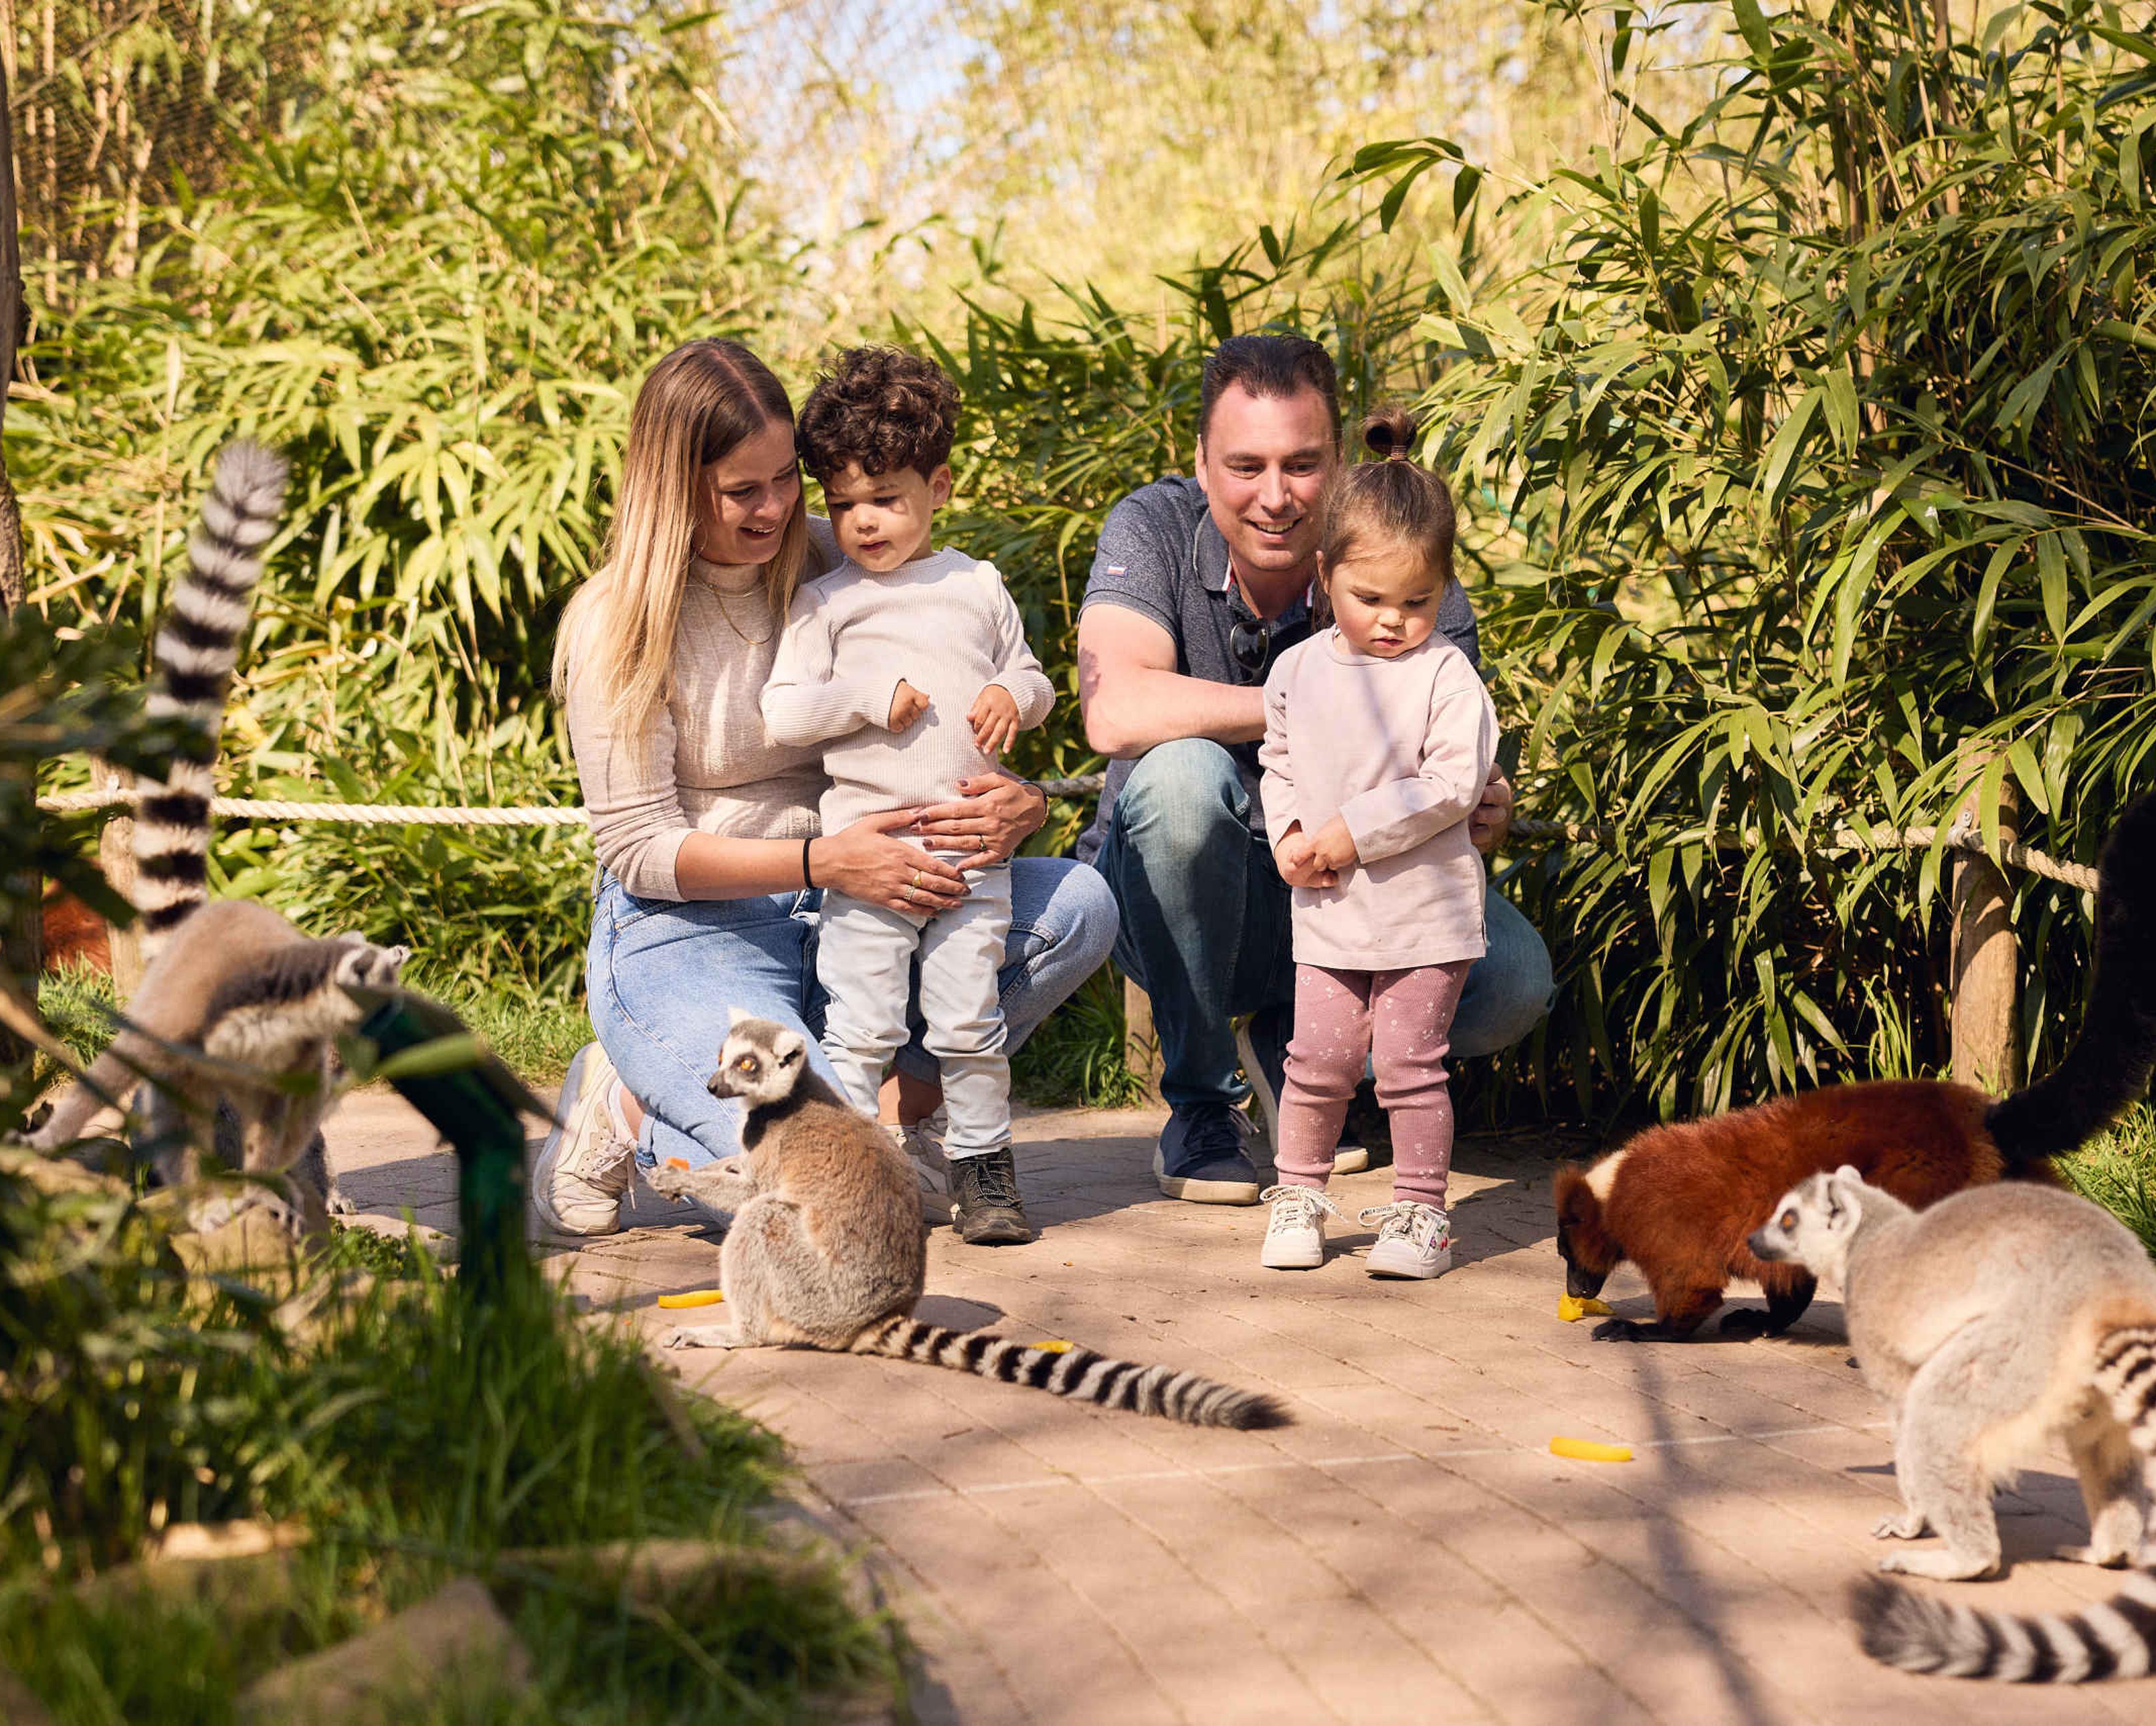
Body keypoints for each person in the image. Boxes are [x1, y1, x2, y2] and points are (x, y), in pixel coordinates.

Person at [534, 338, 1116, 1237]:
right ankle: (626, 1105)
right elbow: (639, 850)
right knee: (810, 1187)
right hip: (696, 926)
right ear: (674, 485)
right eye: (743, 491)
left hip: (868, 892)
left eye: (787, 481)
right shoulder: (616, 621)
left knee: (1076, 902)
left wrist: (1021, 799)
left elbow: (960, 697)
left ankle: (883, 1118)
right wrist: (825, 858)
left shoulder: (838, 554)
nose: (775, 509)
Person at [1075, 333, 1552, 1204]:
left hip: (1351, 892)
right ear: (1201, 461)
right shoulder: (1151, 525)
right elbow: (1116, 710)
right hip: (1178, 898)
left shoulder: (1400, 556)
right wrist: (1313, 705)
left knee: (1513, 981)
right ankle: (1201, 1101)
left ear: (1338, 462)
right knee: (1182, 783)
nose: (1275, 496)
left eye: (1302, 464)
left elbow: (1447, 762)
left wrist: (1482, 799)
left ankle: (1302, 1050)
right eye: (1245, 465)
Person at [761, 346, 1056, 1244]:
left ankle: (984, 1171)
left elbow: (1031, 677)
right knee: (862, 1029)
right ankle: (848, 1183)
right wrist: (866, 695)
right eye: (844, 504)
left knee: (970, 1025)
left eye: (885, 498)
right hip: (870, 860)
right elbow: (784, 711)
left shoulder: (976, 584)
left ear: (939, 485)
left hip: (973, 854)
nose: (864, 522)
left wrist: (1017, 696)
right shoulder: (824, 603)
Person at [1255, 404, 1497, 1279]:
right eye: (1370, 599)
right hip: (1328, 908)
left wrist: (1346, 834)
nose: (1393, 620)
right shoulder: (1298, 670)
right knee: (1316, 1057)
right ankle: (1297, 1193)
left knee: (1406, 1062)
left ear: (1444, 588)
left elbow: (1448, 787)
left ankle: (1419, 1212)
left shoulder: (1447, 676)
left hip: (1424, 914)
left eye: (1417, 602)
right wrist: (1288, 830)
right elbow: (1277, 759)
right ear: (1324, 577)